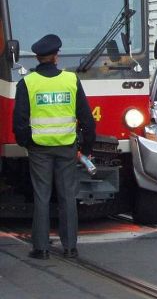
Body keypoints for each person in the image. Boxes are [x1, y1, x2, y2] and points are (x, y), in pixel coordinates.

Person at [13, 34, 96, 260]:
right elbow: (87, 119)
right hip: (67, 147)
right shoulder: (70, 80)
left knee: (42, 196)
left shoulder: (28, 83)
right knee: (68, 195)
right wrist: (86, 149)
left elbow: (19, 122)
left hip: (39, 148)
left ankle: (41, 248)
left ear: (38, 58)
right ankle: (70, 247)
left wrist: (27, 143)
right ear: (56, 57)